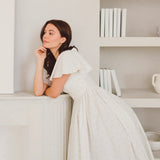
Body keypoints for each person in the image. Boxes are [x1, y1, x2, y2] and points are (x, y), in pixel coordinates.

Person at [33, 19, 155, 160]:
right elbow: (38, 91)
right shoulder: (57, 62)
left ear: (62, 39)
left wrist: (50, 88)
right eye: (44, 32)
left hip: (95, 105)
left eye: (51, 33)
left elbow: (53, 93)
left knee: (105, 150)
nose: (45, 36)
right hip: (86, 104)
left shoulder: (66, 57)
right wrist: (40, 61)